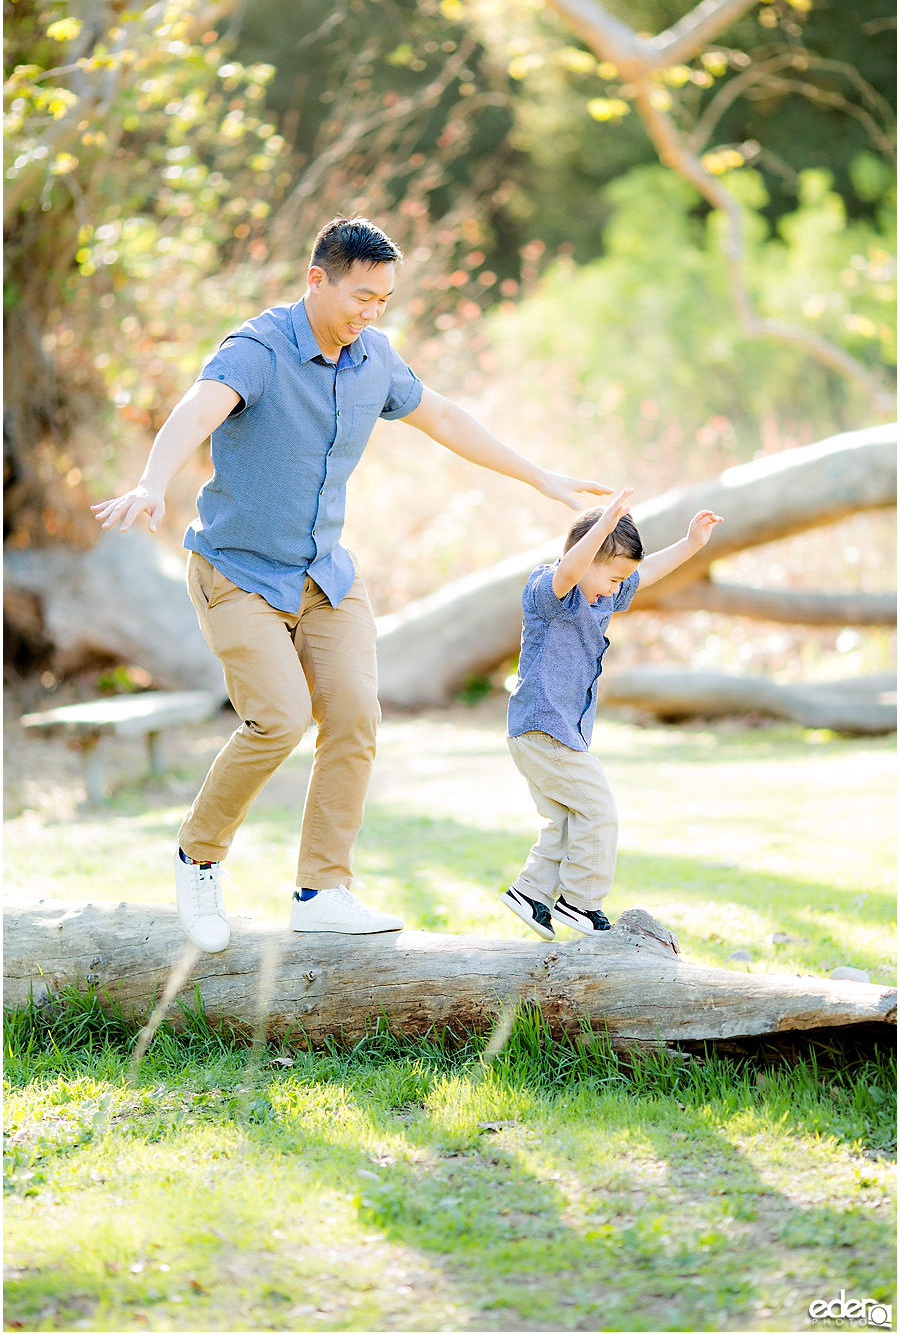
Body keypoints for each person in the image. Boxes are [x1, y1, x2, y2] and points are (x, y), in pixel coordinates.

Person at [92, 215, 612, 953]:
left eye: (383, 300)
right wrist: (151, 480)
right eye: (361, 296)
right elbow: (196, 410)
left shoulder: (376, 359)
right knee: (277, 717)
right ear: (317, 279)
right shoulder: (259, 348)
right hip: (236, 573)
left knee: (356, 718)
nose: (371, 312)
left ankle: (321, 891)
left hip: (325, 576)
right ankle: (198, 859)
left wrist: (540, 476)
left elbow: (445, 417)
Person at [503, 486, 723, 940]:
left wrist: (691, 545)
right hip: (545, 729)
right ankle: (580, 904)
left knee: (568, 821)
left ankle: (531, 893)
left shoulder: (603, 596)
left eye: (622, 581)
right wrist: (602, 525)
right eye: (611, 577)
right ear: (586, 559)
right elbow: (570, 568)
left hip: (551, 733)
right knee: (599, 811)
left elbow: (649, 572)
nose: (616, 588)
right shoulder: (551, 593)